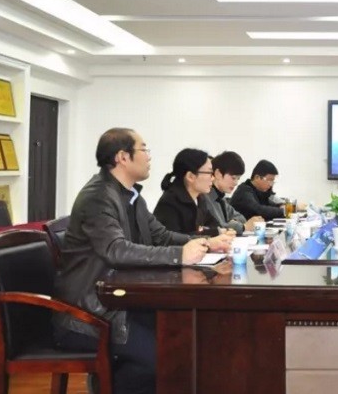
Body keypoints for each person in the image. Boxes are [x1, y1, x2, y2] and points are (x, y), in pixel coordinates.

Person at [52, 128, 232, 394]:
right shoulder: (97, 197)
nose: (149, 156)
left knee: (184, 336)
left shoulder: (132, 196)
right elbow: (115, 250)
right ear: (123, 157)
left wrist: (207, 243)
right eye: (144, 149)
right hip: (89, 313)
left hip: (121, 302)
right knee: (166, 357)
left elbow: (161, 236)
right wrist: (179, 255)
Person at [153, 148, 222, 236]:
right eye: (209, 173)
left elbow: (214, 225)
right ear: (190, 176)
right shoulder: (170, 202)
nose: (213, 178)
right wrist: (212, 233)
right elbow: (174, 238)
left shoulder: (199, 198)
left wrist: (221, 231)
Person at [201, 151, 264, 234]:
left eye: (238, 179)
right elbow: (219, 227)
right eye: (233, 178)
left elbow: (241, 218)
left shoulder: (220, 197)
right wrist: (243, 227)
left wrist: (230, 223)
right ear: (218, 174)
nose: (236, 183)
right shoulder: (205, 197)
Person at [231, 159, 304, 220]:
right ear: (257, 177)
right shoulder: (244, 191)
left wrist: (281, 206)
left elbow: (271, 205)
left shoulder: (263, 191)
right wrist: (287, 210)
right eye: (269, 180)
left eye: (273, 181)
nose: (271, 184)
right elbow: (259, 210)